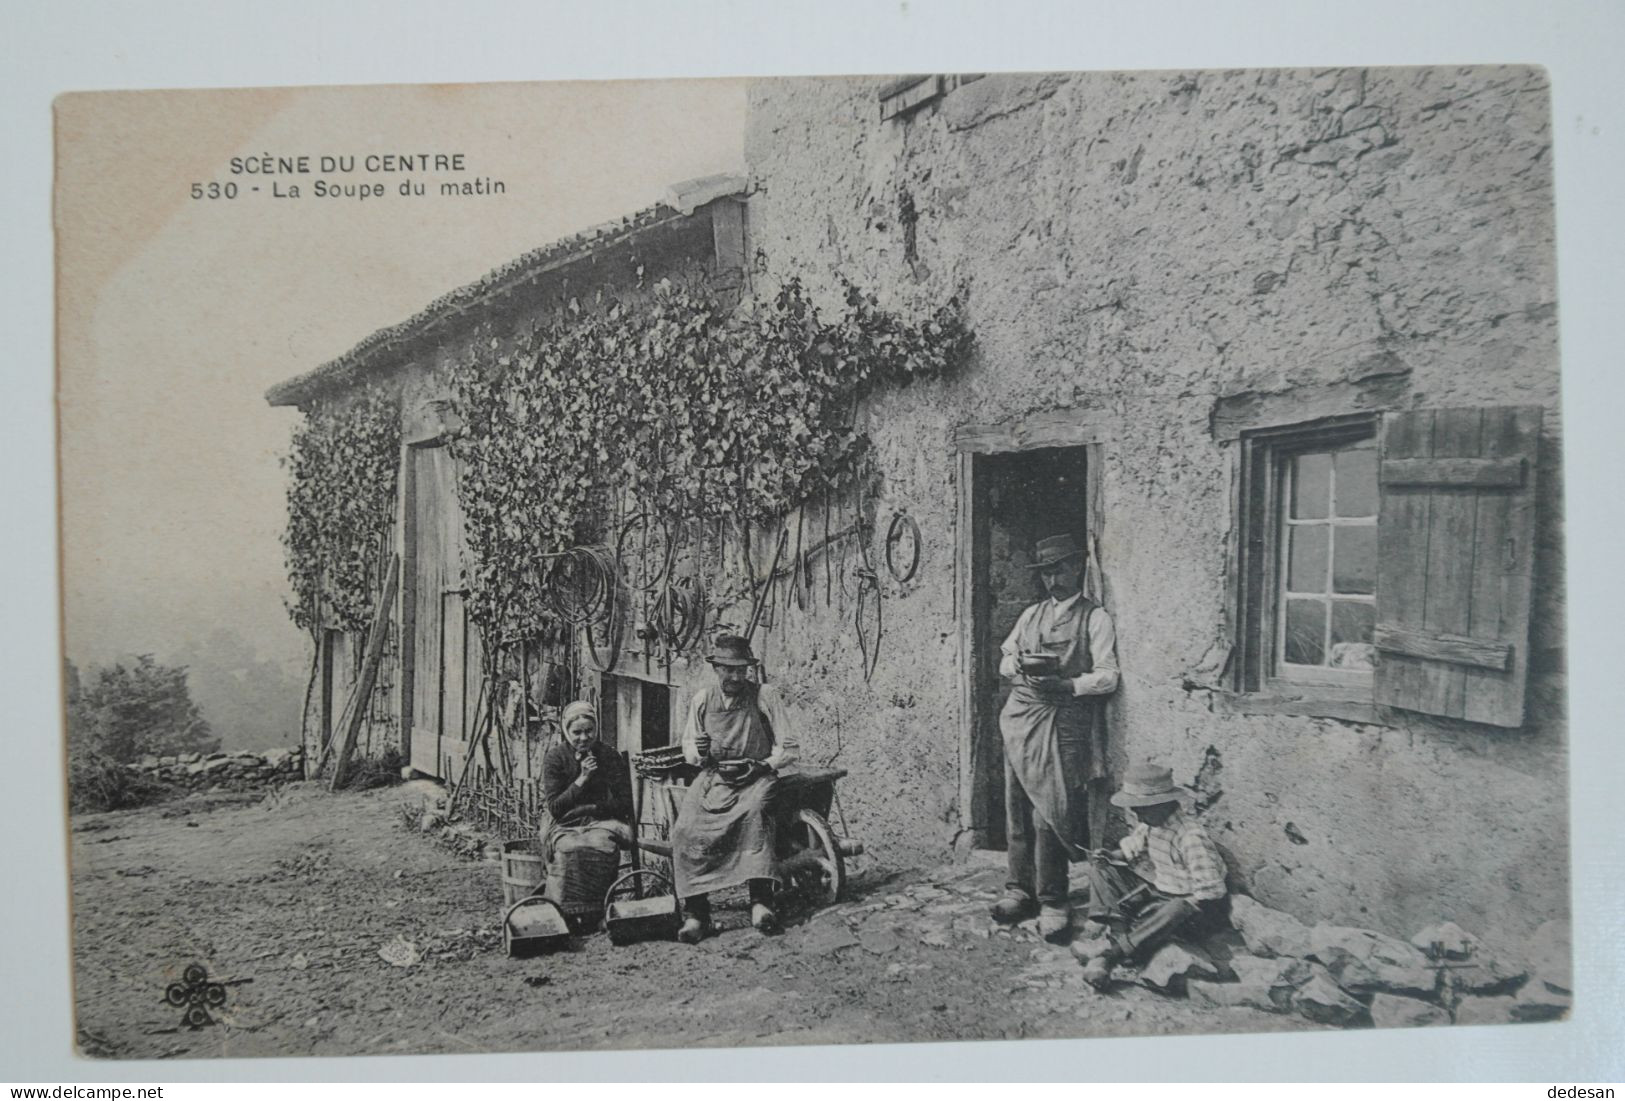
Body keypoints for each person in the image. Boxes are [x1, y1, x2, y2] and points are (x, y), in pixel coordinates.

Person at [992, 531, 1120, 942]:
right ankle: (1018, 889)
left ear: (1077, 567)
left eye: (1059, 569)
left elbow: (1108, 676)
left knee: (1049, 812)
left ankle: (1052, 899)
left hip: (1063, 722)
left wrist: (1067, 686)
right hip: (1021, 718)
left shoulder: (1094, 618)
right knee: (1016, 807)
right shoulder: (1030, 615)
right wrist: (1020, 668)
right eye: (1046, 572)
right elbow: (1006, 657)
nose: (1052, 579)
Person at [671, 634, 798, 943]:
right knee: (686, 830)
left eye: (741, 670)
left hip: (756, 776)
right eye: (728, 670)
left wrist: (764, 765)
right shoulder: (703, 699)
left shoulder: (765, 696)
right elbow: (689, 748)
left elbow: (790, 747)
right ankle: (696, 913)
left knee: (756, 815)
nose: (735, 677)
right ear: (716, 669)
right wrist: (699, 751)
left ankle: (761, 903)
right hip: (716, 777)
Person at [1071, 761, 1229, 991]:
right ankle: (1119, 935)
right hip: (1161, 892)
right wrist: (1110, 855)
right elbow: (1131, 849)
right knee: (1102, 869)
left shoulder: (1190, 836)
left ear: (1163, 803)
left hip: (1196, 910)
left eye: (1141, 808)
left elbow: (1211, 891)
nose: (1136, 813)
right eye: (1135, 808)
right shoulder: (1151, 823)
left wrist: (1169, 908)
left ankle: (1110, 954)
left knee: (1176, 908)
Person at [538, 700, 633, 862]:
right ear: (567, 731)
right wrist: (582, 778)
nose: (584, 738)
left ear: (596, 728)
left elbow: (625, 803)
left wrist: (593, 808)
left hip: (604, 822)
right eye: (577, 732)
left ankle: (601, 887)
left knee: (600, 848)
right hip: (565, 824)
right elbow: (555, 808)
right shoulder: (555, 758)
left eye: (589, 731)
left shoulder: (610, 756)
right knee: (569, 852)